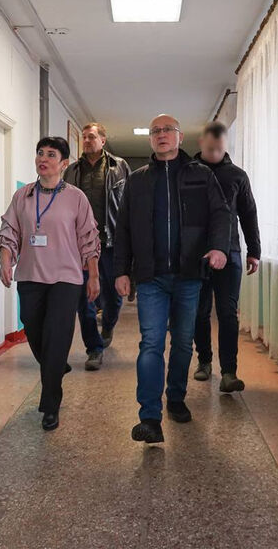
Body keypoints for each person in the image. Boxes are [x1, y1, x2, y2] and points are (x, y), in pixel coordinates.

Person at [113, 114, 231, 444]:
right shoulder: (137, 181)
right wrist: (121, 270)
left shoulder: (201, 175)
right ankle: (149, 417)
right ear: (150, 139)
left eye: (168, 130)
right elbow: (123, 229)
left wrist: (219, 247)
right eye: (156, 131)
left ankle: (176, 397)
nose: (162, 134)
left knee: (181, 341)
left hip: (189, 274)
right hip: (151, 276)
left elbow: (221, 214)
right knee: (151, 342)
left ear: (179, 137)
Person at [0, 137, 100, 431]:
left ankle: (50, 404)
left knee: (57, 336)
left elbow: (89, 238)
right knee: (33, 329)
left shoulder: (76, 197)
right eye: (40, 153)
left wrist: (93, 275)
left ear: (64, 163)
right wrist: (5, 260)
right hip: (30, 276)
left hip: (66, 278)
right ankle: (55, 365)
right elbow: (9, 230)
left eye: (51, 154)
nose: (43, 158)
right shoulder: (23, 196)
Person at [192, 121, 261, 392]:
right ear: (202, 144)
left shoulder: (237, 176)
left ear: (226, 146)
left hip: (230, 252)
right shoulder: (189, 173)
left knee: (228, 313)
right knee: (200, 312)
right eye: (210, 149)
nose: (214, 154)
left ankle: (229, 372)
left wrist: (254, 251)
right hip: (197, 253)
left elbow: (249, 213)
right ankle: (204, 361)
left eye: (219, 149)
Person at [63, 122, 131, 371]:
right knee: (85, 299)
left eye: (91, 137)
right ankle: (94, 348)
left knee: (112, 295)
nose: (87, 141)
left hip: (110, 242)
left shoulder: (119, 166)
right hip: (80, 245)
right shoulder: (71, 171)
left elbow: (129, 204)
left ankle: (109, 325)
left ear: (103, 140)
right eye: (84, 137)